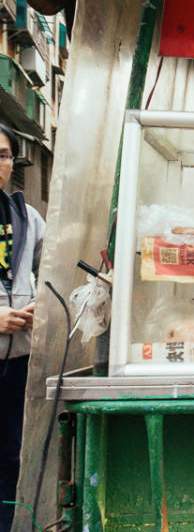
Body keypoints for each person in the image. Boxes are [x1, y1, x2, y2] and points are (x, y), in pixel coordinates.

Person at [0, 123, 44, 532]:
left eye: (3, 154)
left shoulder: (25, 215)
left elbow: (47, 273)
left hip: (16, 359)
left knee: (10, 456)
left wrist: (37, 306)